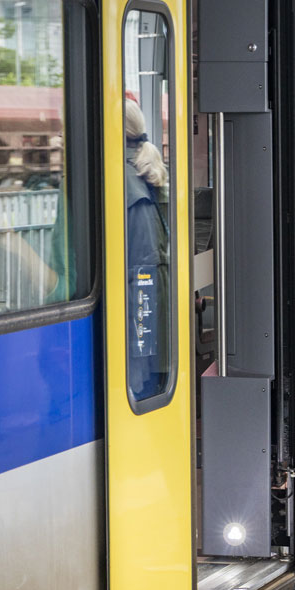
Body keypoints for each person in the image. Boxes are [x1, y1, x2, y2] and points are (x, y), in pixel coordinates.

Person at [123, 97, 171, 402]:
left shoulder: (127, 183)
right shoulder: (140, 172)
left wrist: (139, 362)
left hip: (146, 306)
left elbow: (142, 273)